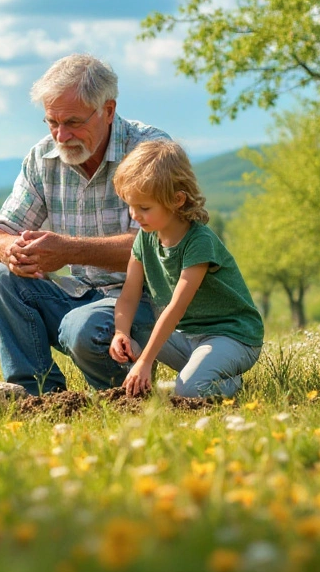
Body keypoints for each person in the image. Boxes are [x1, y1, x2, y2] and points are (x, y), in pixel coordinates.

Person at [0, 53, 170, 395]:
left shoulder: (149, 151)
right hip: (79, 296)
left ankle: (121, 396)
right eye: (51, 122)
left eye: (73, 122)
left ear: (108, 110)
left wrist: (68, 250)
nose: (61, 134)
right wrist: (12, 250)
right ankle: (38, 396)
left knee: (81, 326)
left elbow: (157, 247)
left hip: (141, 301)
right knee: (1, 279)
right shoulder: (42, 158)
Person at [110, 140, 263, 398]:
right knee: (136, 331)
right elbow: (128, 295)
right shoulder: (145, 238)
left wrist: (146, 361)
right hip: (187, 338)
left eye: (144, 208)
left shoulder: (199, 242)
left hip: (230, 337)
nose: (134, 215)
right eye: (130, 205)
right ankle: (186, 377)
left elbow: (176, 308)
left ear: (177, 200)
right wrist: (120, 332)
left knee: (189, 390)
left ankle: (226, 383)